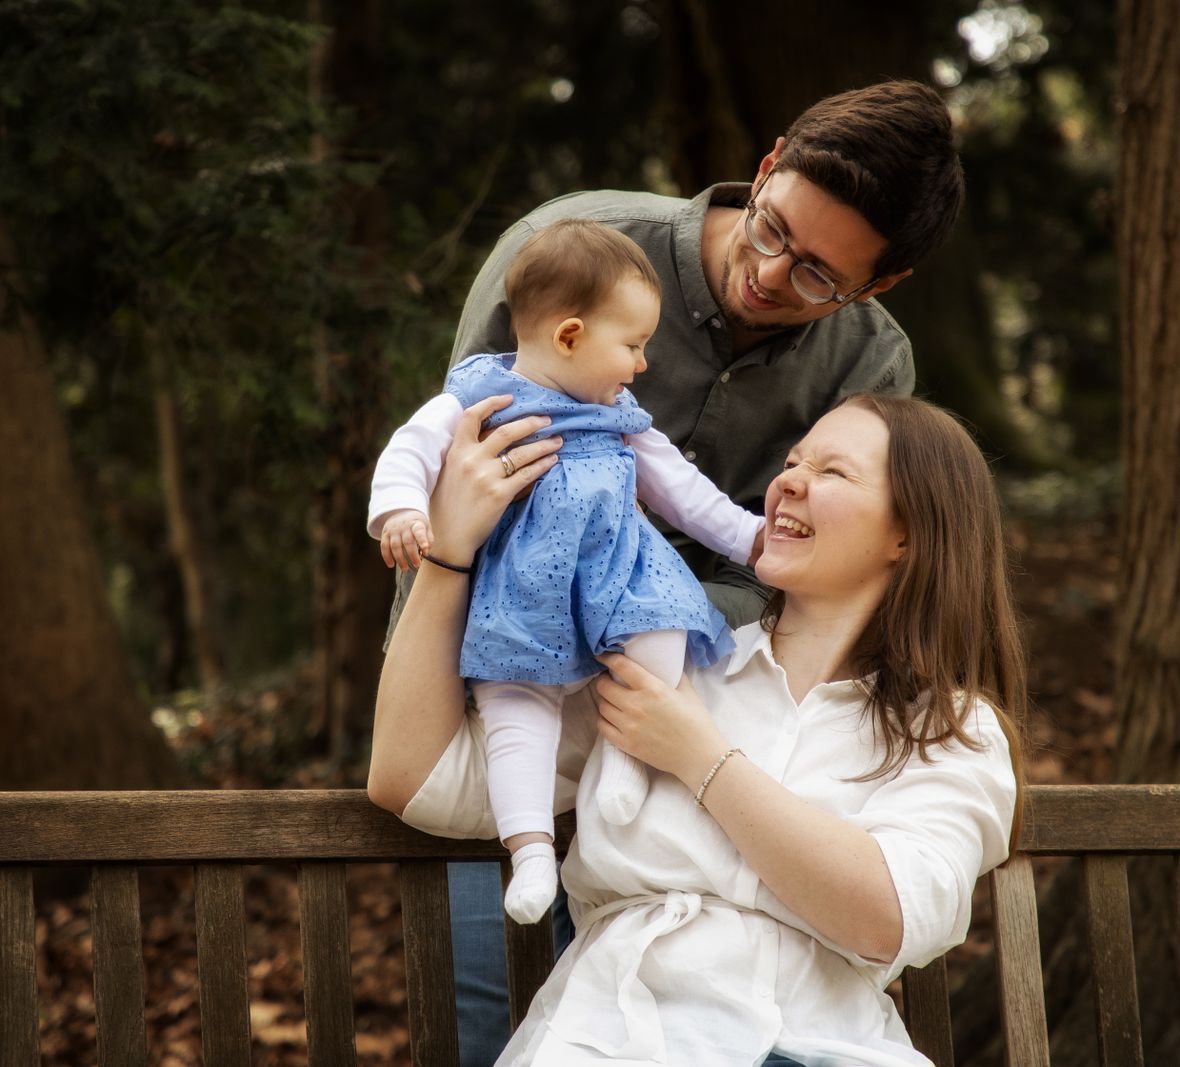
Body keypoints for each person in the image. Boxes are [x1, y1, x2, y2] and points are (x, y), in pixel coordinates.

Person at [391, 79, 968, 1066]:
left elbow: (811, 574)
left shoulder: (867, 364)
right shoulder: (575, 248)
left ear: (882, 283)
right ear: (768, 160)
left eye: (821, 274)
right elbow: (464, 488)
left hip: (694, 732)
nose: (771, 273)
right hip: (513, 688)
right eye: (773, 226)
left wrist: (664, 657)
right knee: (489, 1021)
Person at [369, 391, 1027, 1066]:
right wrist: (449, 555)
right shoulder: (662, 662)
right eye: (793, 461)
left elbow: (887, 915)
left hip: (823, 1047)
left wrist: (701, 757)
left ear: (909, 532)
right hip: (615, 1042)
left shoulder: (952, 731)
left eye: (833, 472)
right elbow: (414, 778)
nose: (789, 481)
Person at [368, 219, 765, 924]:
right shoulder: (478, 396)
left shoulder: (620, 415)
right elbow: (409, 451)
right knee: (515, 711)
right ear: (571, 336)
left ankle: (627, 766)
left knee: (659, 638)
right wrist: (400, 509)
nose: (642, 364)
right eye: (634, 345)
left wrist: (753, 538)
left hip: (621, 582)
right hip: (524, 595)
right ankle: (528, 852)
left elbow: (684, 492)